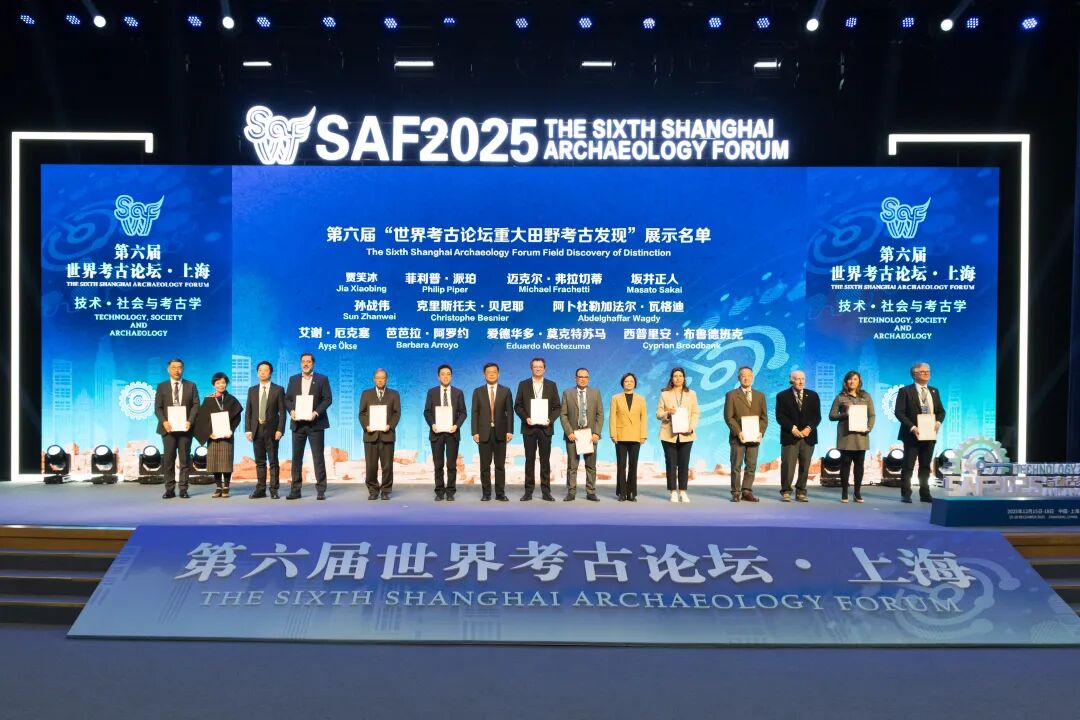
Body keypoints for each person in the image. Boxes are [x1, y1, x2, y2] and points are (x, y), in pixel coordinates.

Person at [894, 362, 946, 503]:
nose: (926, 373)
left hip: (929, 434)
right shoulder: (905, 391)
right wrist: (912, 427)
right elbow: (899, 412)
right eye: (923, 371)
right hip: (912, 434)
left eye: (928, 371)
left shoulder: (934, 391)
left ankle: (925, 493)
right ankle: (906, 493)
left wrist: (938, 422)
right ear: (914, 374)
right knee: (908, 466)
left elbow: (941, 411)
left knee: (925, 466)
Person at [284, 352, 333, 500]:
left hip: (316, 424)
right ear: (300, 364)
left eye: (308, 362)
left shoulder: (322, 379)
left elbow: (327, 399)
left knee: (318, 458)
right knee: (296, 458)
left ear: (313, 364)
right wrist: (291, 411)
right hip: (298, 425)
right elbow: (287, 399)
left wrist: (316, 413)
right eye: (303, 361)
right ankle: (295, 490)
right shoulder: (293, 379)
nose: (305, 364)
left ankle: (321, 490)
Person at [513, 357, 561, 502]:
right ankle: (528, 492)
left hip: (546, 428)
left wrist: (550, 420)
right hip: (529, 428)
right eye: (535, 367)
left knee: (545, 461)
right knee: (529, 460)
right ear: (531, 368)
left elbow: (557, 407)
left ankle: (546, 492)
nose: (538, 369)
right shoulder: (523, 384)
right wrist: (526, 418)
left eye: (540, 366)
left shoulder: (552, 385)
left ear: (544, 369)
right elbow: (518, 406)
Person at [153, 358, 199, 499]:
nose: (177, 370)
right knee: (168, 460)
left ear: (183, 369)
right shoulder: (162, 386)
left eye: (179, 367)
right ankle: (169, 489)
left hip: (185, 429)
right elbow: (157, 408)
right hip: (168, 429)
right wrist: (164, 421)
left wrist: (190, 421)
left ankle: (183, 489)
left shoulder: (191, 385)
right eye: (174, 367)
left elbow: (196, 405)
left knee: (185, 460)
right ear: (168, 369)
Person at [828, 370, 876, 503]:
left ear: (859, 381)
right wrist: (845, 414)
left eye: (855, 379)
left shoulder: (866, 396)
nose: (852, 381)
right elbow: (831, 416)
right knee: (845, 464)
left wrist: (869, 427)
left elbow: (872, 415)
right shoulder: (840, 397)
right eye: (850, 379)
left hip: (861, 435)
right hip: (846, 436)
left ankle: (857, 492)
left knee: (859, 465)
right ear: (845, 382)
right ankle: (844, 492)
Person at [193, 372, 242, 498]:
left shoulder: (231, 400)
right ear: (214, 385)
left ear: (226, 384)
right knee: (214, 462)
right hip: (213, 436)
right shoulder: (208, 399)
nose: (221, 385)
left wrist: (231, 430)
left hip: (227, 436)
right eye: (218, 383)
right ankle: (218, 486)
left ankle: (226, 487)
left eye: (223, 382)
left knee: (226, 461)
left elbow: (237, 417)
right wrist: (209, 433)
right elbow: (201, 420)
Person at [723, 366, 768, 502]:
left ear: (753, 377)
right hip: (738, 437)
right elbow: (728, 417)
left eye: (749, 375)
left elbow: (764, 418)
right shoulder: (731, 395)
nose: (746, 378)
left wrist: (761, 432)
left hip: (754, 437)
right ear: (739, 378)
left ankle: (747, 491)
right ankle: (736, 492)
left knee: (751, 466)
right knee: (736, 466)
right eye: (743, 375)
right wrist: (738, 432)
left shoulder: (760, 396)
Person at [776, 369, 822, 503]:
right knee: (788, 465)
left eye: (803, 379)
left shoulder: (813, 395)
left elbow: (817, 416)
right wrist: (793, 429)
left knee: (805, 466)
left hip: (808, 437)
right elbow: (780, 416)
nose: (801, 381)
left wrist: (809, 428)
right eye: (797, 379)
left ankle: (801, 491)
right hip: (790, 436)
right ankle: (786, 491)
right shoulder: (782, 396)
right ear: (791, 380)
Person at [471, 363, 514, 501]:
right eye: (488, 372)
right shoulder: (478, 392)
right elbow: (475, 413)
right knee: (485, 466)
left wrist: (510, 431)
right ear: (484, 375)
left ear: (498, 374)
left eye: (494, 372)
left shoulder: (506, 391)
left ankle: (500, 494)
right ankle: (486, 494)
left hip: (501, 433)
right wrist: (474, 432)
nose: (491, 374)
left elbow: (510, 412)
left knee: (500, 466)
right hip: (483, 433)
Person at [423, 364, 467, 501]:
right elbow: (427, 412)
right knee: (438, 464)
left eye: (448, 374)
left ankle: (451, 491)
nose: (445, 376)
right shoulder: (432, 392)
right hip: (436, 433)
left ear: (451, 376)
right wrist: (432, 424)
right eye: (443, 374)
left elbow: (463, 413)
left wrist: (456, 425)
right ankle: (439, 491)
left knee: (452, 464)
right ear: (438, 377)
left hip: (453, 433)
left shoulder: (458, 392)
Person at [657, 367, 701, 503]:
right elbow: (658, 414)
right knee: (671, 464)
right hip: (668, 434)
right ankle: (672, 492)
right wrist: (667, 413)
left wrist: (691, 427)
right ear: (671, 378)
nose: (678, 378)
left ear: (684, 378)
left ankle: (683, 491)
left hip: (686, 434)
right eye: (675, 376)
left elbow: (695, 413)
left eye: (680, 376)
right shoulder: (665, 394)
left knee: (684, 463)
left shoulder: (691, 394)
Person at [560, 368, 604, 502]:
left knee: (591, 466)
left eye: (585, 377)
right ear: (576, 378)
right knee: (572, 466)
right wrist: (569, 432)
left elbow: (600, 414)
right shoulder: (567, 393)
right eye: (580, 377)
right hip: (573, 435)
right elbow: (563, 414)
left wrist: (596, 433)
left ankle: (591, 492)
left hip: (590, 435)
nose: (583, 379)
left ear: (588, 379)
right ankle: (571, 492)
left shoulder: (595, 393)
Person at [245, 360, 286, 499]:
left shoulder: (278, 390)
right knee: (260, 462)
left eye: (266, 370)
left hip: (272, 431)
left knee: (273, 461)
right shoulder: (252, 390)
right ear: (257, 373)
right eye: (260, 370)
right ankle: (261, 489)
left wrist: (280, 430)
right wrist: (248, 430)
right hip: (256, 430)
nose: (262, 373)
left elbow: (282, 412)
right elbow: (248, 412)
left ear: (270, 373)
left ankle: (274, 489)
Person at [359, 368, 401, 500]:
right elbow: (362, 413)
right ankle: (373, 490)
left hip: (387, 435)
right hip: (370, 435)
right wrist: (366, 426)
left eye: (382, 378)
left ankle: (386, 491)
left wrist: (390, 426)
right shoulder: (366, 394)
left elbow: (396, 413)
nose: (380, 380)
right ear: (374, 379)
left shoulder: (394, 394)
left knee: (387, 466)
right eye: (378, 378)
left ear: (386, 379)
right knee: (371, 466)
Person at [609, 372, 647, 502]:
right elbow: (612, 417)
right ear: (622, 383)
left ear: (635, 383)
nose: (629, 383)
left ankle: (632, 493)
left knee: (633, 465)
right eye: (626, 381)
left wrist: (643, 435)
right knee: (621, 465)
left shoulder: (641, 399)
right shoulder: (615, 398)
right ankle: (622, 492)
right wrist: (613, 434)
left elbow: (644, 419)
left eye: (631, 381)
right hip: (620, 436)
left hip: (636, 436)